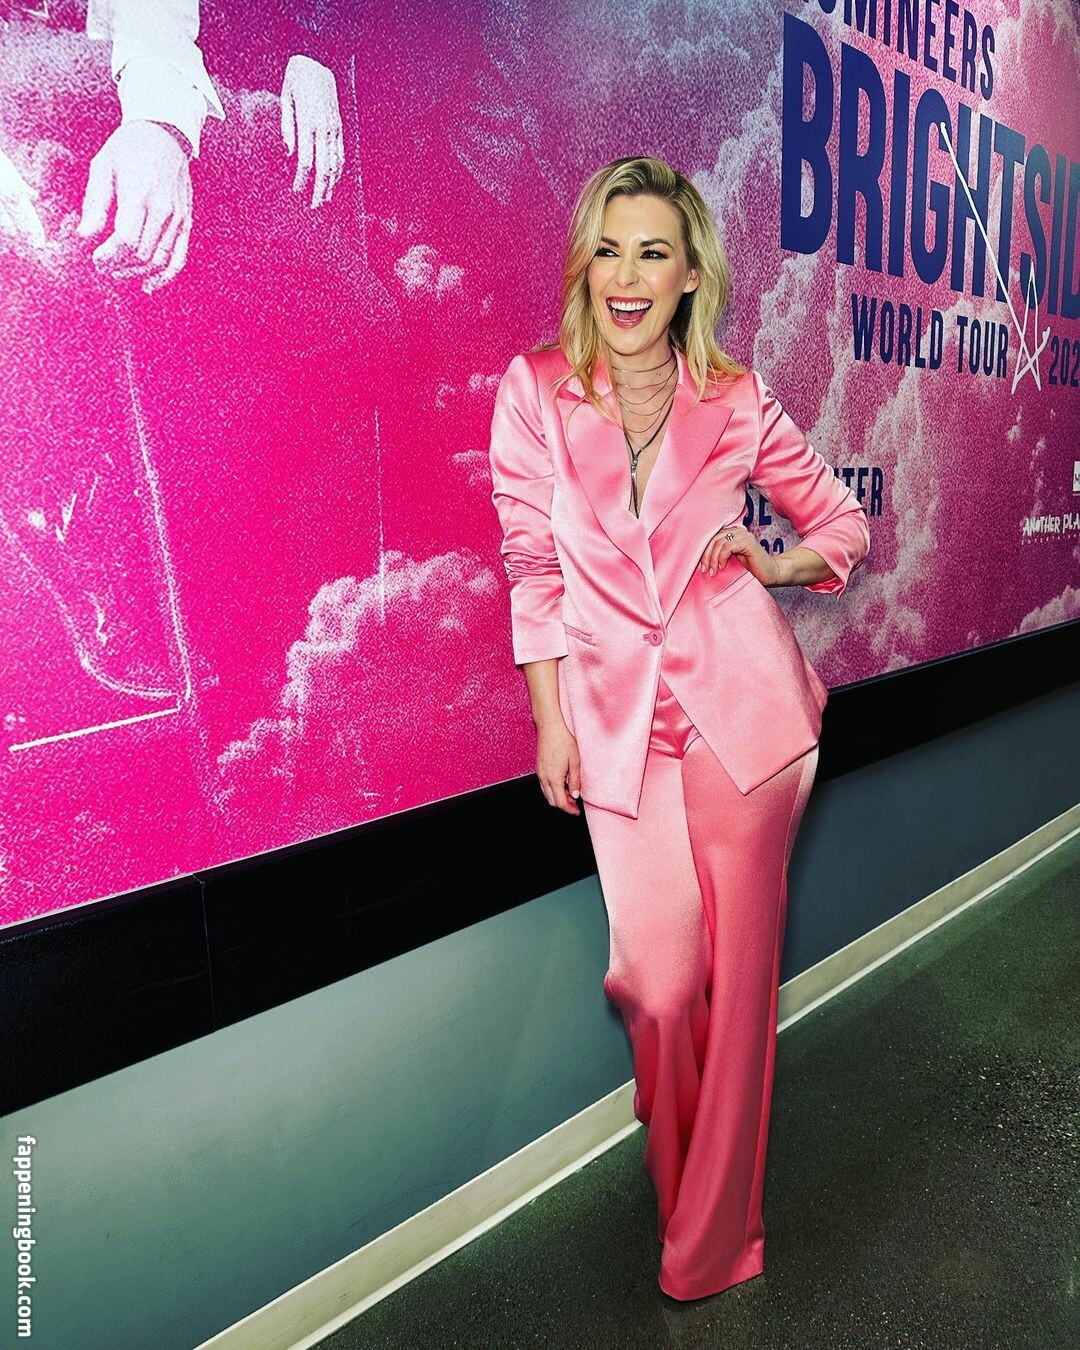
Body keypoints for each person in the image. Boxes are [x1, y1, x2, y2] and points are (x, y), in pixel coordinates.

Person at [487, 156, 871, 1301]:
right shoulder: (536, 390)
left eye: (652, 252)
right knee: (658, 987)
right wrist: (551, 719)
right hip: (615, 729)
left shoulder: (736, 399)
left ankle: (714, 1241)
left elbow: (841, 525)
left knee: (738, 990)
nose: (626, 275)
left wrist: (774, 559)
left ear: (691, 273)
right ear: (584, 266)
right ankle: (690, 1149)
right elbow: (532, 563)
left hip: (745, 720)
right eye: (607, 249)